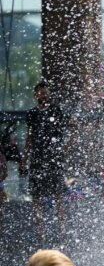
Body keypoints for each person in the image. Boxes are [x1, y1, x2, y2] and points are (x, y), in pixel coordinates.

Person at [22, 81, 70, 235]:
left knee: (58, 193)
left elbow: (75, 125)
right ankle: (40, 230)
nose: (44, 95)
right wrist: (24, 159)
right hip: (37, 158)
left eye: (46, 92)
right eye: (41, 92)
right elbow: (30, 138)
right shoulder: (32, 113)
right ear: (35, 95)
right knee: (36, 195)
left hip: (54, 158)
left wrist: (66, 148)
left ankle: (62, 229)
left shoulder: (57, 111)